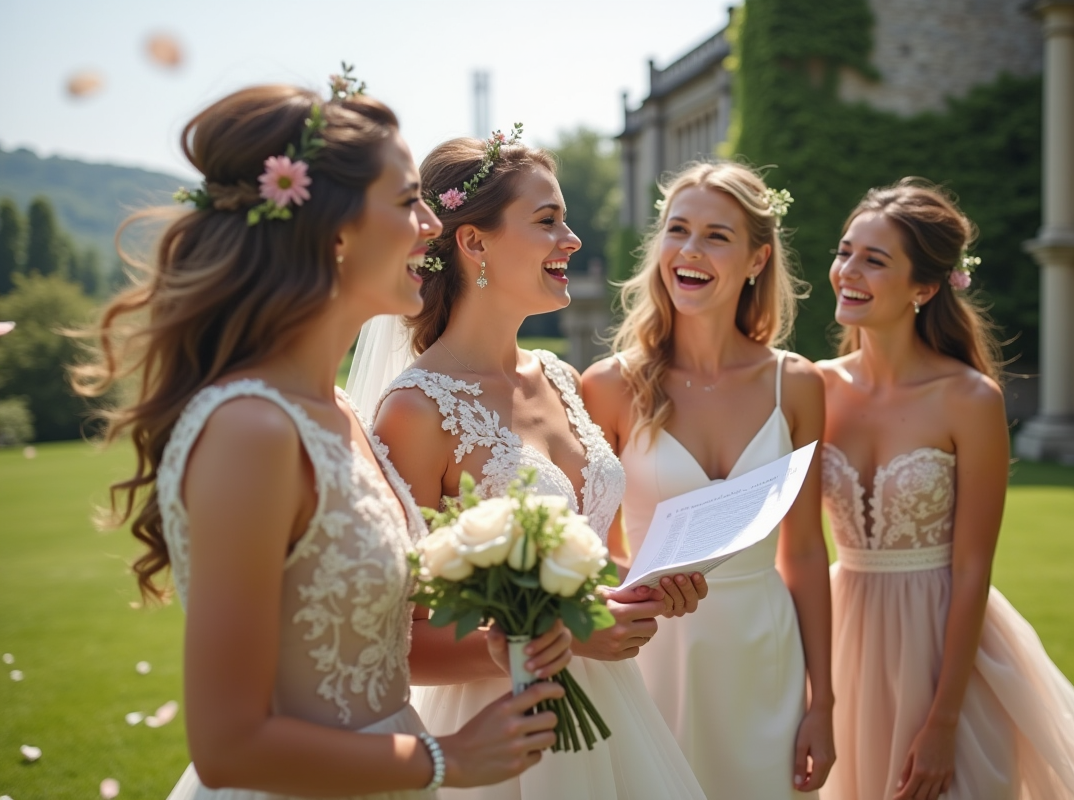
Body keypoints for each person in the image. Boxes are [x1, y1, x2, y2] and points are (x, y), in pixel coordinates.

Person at [72, 82, 568, 799]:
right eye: (406, 202)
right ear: (335, 233)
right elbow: (228, 746)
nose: (430, 226)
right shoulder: (253, 429)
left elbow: (356, 633)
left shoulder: (335, 410)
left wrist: (496, 643)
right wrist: (447, 759)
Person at [347, 131, 708, 800]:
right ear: (473, 243)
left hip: (614, 712)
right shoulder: (417, 412)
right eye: (548, 222)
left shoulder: (561, 378)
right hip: (498, 738)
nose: (571, 239)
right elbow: (396, 641)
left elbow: (584, 557)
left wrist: (642, 587)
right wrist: (559, 636)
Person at [817, 178, 1074, 799]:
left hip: (944, 643)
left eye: (874, 259)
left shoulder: (970, 399)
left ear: (925, 285)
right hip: (843, 636)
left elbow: (972, 569)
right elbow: (793, 545)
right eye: (845, 251)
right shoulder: (813, 387)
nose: (848, 271)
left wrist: (943, 720)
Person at [581, 161, 834, 797]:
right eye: (677, 230)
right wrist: (627, 598)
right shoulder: (609, 386)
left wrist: (823, 702)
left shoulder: (796, 384)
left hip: (763, 654)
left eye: (717, 236)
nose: (690, 252)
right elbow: (591, 548)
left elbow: (804, 550)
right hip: (652, 653)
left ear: (757, 259)